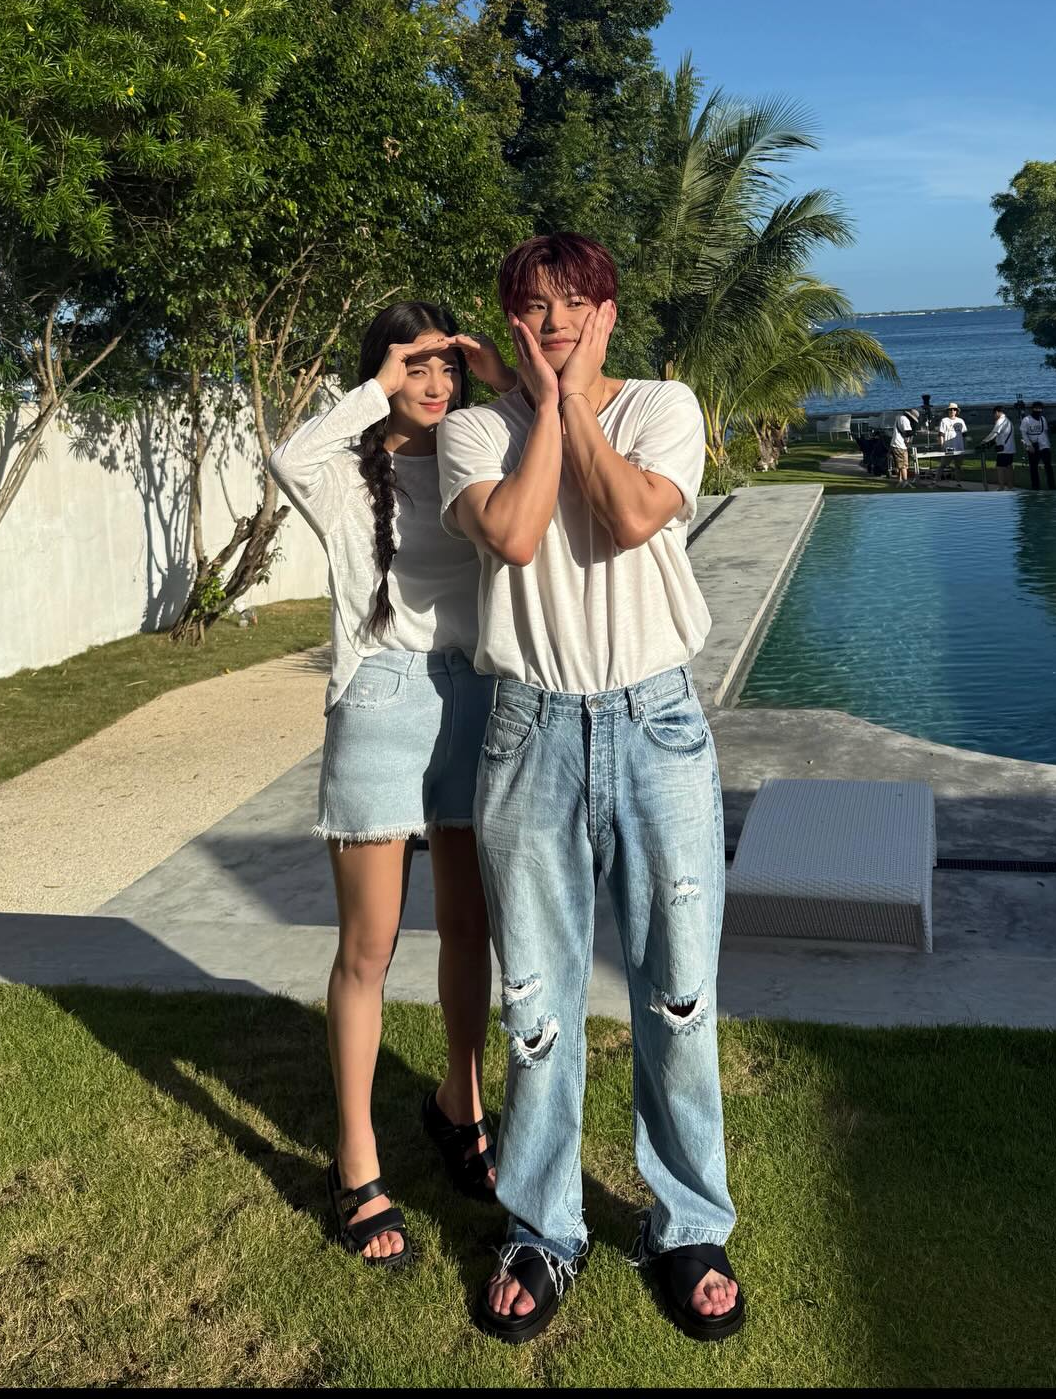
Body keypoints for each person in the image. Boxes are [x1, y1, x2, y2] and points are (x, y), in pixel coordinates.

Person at [438, 232, 745, 1346]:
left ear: (609, 313)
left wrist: (569, 401)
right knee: (536, 1002)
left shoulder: (664, 406)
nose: (556, 319)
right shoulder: (477, 430)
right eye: (534, 304)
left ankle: (689, 1222)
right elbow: (519, 535)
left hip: (656, 723)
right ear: (510, 320)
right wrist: (542, 405)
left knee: (679, 992)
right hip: (530, 730)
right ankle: (543, 1225)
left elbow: (627, 516)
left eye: (575, 302)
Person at [268, 301, 517, 1271]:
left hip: (474, 692)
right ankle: (357, 1156)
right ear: (380, 371)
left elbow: (548, 442)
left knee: (469, 925)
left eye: (445, 364)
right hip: (379, 696)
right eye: (416, 364)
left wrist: (497, 377)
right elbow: (288, 456)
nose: (435, 381)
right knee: (369, 945)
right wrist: (378, 385)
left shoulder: (476, 447)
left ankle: (461, 1102)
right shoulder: (342, 469)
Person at [1020, 400, 1056, 489]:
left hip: (1044, 445)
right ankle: (1035, 486)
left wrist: (1048, 444)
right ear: (1032, 409)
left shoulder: (1043, 419)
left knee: (1048, 466)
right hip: (1033, 445)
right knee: (1033, 467)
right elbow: (1024, 433)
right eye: (1036, 408)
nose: (1038, 410)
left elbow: (1045, 432)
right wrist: (1029, 445)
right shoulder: (1026, 420)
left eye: (1040, 409)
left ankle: (1052, 485)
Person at [983, 406, 1015, 488]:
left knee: (1000, 468)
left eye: (994, 414)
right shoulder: (1008, 421)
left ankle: (1001, 487)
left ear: (997, 412)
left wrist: (985, 441)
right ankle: (1010, 486)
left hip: (1003, 449)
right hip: (1010, 448)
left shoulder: (1001, 420)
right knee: (1009, 467)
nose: (994, 416)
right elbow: (1001, 435)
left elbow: (994, 433)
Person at [938, 402, 967, 477]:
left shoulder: (961, 421)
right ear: (948, 411)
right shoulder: (944, 420)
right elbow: (941, 434)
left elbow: (964, 435)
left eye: (954, 409)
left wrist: (964, 446)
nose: (952, 411)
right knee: (943, 465)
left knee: (958, 466)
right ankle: (935, 481)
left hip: (959, 447)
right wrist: (942, 446)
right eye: (950, 409)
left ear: (956, 411)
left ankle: (958, 481)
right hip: (948, 447)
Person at [890, 406, 912, 484]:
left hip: (895, 443)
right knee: (904, 465)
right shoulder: (904, 419)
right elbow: (908, 432)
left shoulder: (898, 417)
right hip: (900, 444)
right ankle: (905, 481)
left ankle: (900, 480)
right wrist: (907, 442)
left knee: (899, 464)